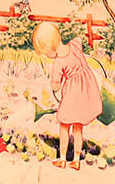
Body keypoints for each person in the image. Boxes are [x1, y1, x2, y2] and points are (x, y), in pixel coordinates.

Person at [32, 22, 102, 169]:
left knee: (64, 125)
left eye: (45, 53)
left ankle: (62, 158)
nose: (47, 56)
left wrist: (54, 85)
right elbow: (79, 39)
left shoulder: (59, 62)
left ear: (50, 48)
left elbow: (56, 84)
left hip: (73, 94)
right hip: (87, 90)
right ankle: (76, 159)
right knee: (78, 127)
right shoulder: (75, 45)